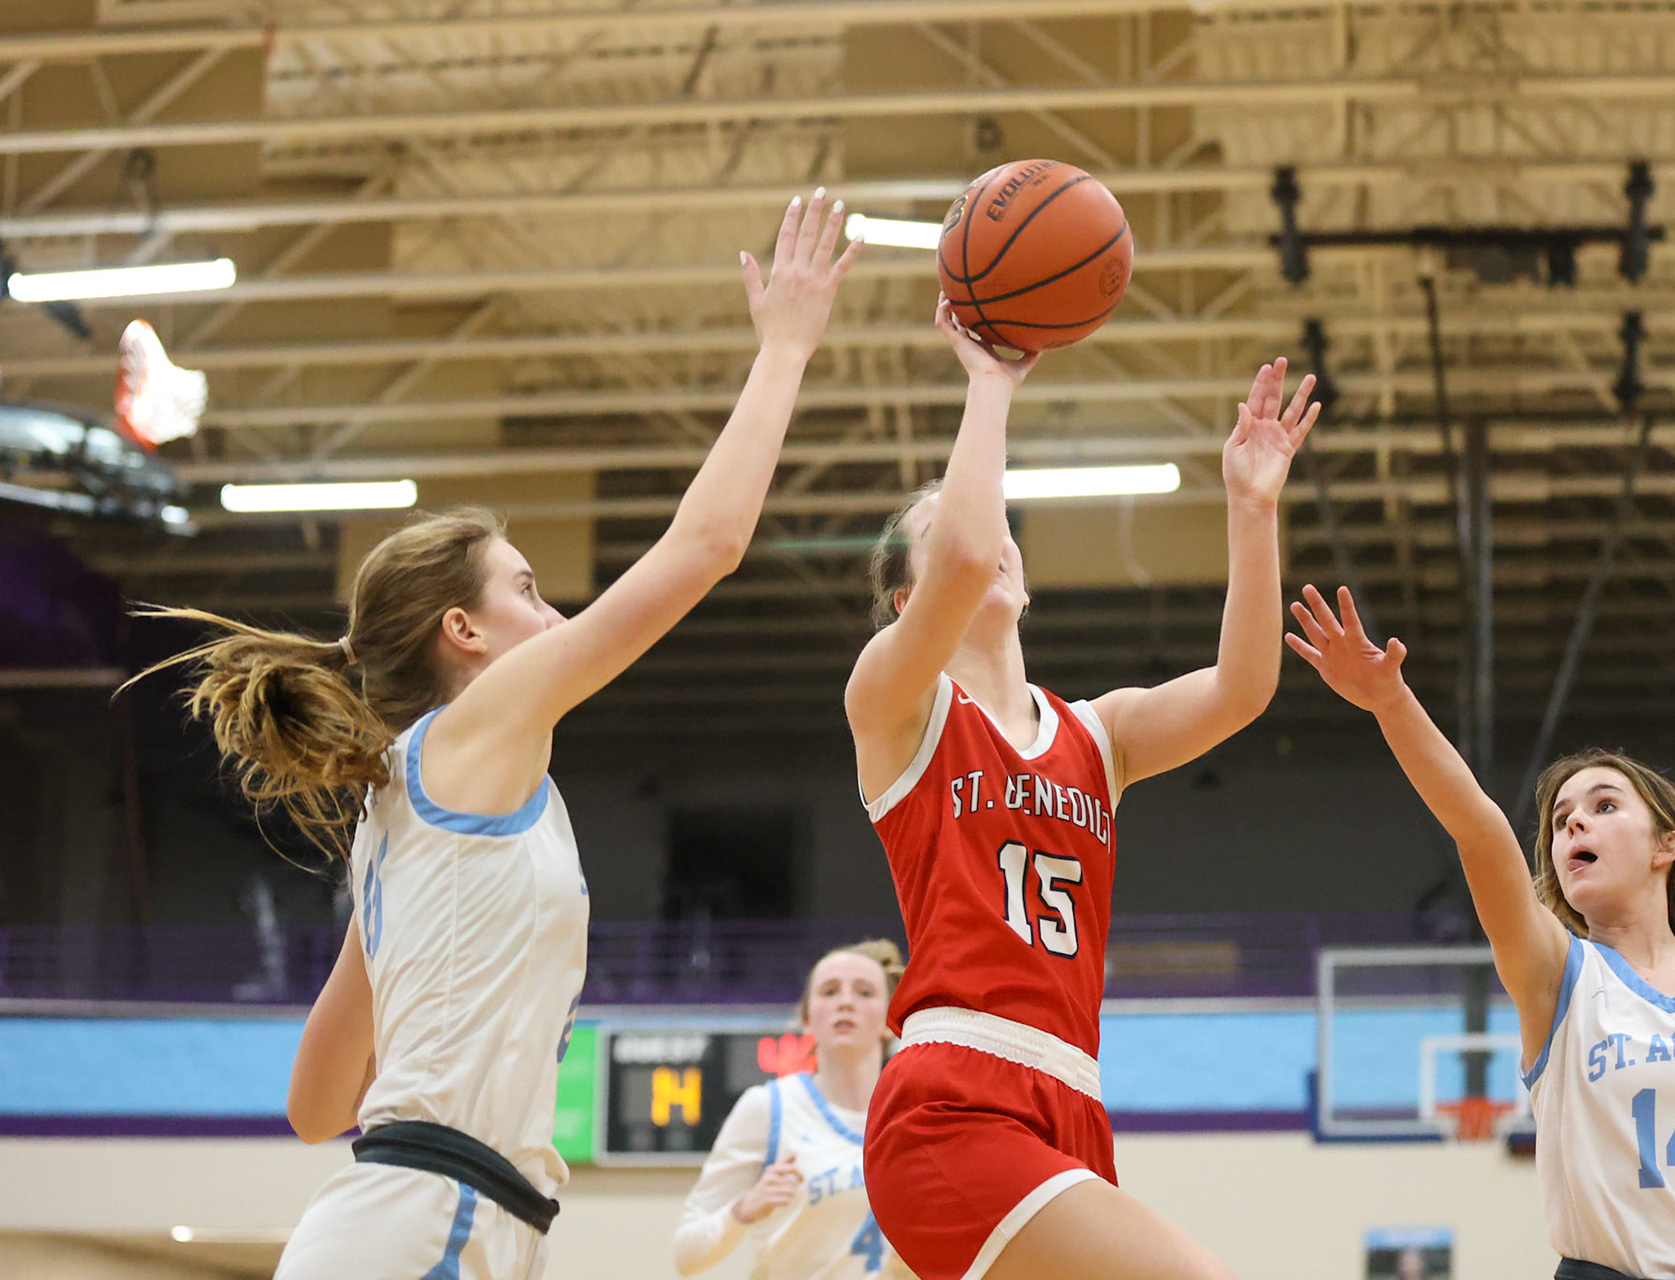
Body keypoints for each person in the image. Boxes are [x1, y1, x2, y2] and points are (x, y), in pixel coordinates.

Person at [133, 190, 862, 1280]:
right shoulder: (474, 731)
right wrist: (788, 347)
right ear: (462, 630)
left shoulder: (403, 816)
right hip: (436, 1214)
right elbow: (705, 544)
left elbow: (314, 1102)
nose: (557, 611)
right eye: (527, 588)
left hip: (424, 1211)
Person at [844, 297, 1320, 1280]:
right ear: (907, 599)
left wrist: (1252, 508)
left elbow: (1243, 687)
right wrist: (989, 381)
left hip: (1072, 1099)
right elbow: (970, 551)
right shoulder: (894, 701)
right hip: (954, 1095)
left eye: (992, 525)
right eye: (942, 531)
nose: (985, 538)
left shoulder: (1097, 733)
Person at [1284, 583, 1675, 1280]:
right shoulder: (1556, 972)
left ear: (1666, 844)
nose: (1573, 823)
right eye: (1560, 820)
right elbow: (1478, 828)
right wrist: (1390, 701)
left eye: (1603, 804)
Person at [673, 940, 912, 1279]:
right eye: (829, 992)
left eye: (864, 992)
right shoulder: (769, 1107)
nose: (845, 1002)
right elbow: (686, 1254)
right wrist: (742, 1210)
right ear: (806, 1018)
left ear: (891, 1020)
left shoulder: (917, 1114)